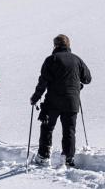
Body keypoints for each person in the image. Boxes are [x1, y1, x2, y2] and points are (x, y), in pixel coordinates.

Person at [30, 34, 91, 168]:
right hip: (72, 102)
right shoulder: (77, 59)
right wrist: (77, 84)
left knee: (47, 127)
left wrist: (35, 97)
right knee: (69, 130)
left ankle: (44, 156)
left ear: (55, 45)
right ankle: (68, 159)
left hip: (53, 101)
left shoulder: (51, 59)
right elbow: (87, 79)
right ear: (68, 45)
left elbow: (43, 82)